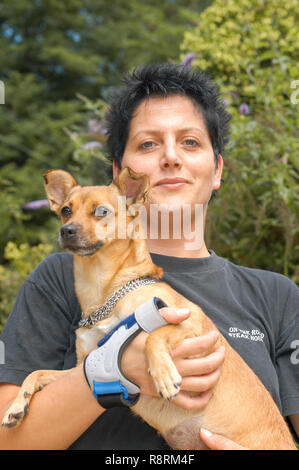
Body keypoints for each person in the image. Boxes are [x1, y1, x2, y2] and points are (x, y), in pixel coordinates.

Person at [0, 63, 298, 450]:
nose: (170, 157)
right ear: (119, 176)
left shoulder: (276, 295)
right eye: (148, 144)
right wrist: (110, 371)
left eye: (190, 142)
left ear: (218, 168)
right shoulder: (59, 277)